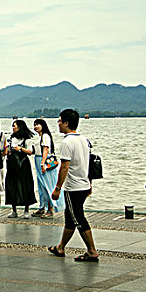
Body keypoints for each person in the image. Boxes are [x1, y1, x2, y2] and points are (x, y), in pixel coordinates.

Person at [48, 109, 99, 262]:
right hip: (83, 184)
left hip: (73, 187)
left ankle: (92, 251)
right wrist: (89, 183)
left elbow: (64, 167)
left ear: (66, 123)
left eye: (59, 121)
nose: (58, 124)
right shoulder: (84, 139)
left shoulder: (67, 142)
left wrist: (57, 188)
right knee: (70, 217)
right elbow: (89, 163)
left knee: (78, 218)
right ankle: (61, 247)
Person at [32, 118, 64, 218]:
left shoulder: (45, 136)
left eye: (38, 124)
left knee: (47, 185)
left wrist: (42, 164)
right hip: (38, 160)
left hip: (43, 161)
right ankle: (42, 207)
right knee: (41, 186)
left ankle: (50, 209)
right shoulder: (40, 137)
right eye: (35, 124)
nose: (36, 126)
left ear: (43, 126)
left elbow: (46, 150)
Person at [5, 119, 37, 219]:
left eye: (15, 126)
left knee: (25, 185)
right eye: (12, 126)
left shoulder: (26, 139)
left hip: (23, 164)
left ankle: (26, 210)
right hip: (11, 164)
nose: (13, 128)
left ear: (20, 127)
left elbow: (30, 151)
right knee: (11, 185)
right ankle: (14, 210)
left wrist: (20, 149)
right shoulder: (11, 138)